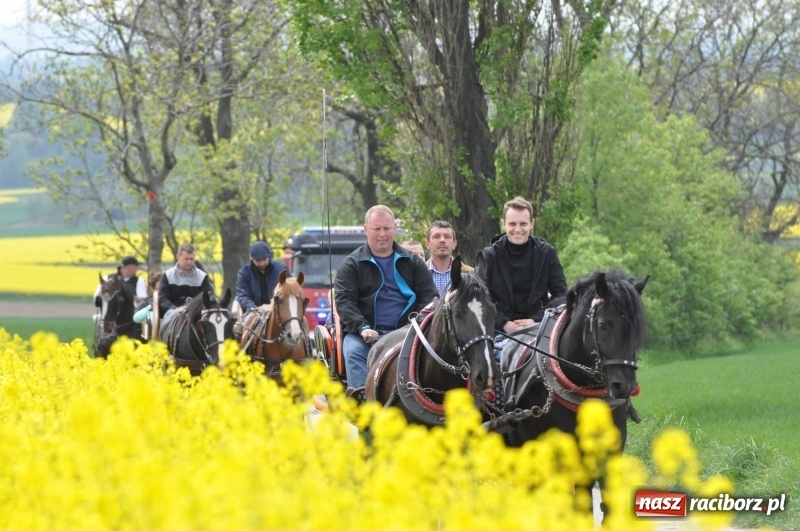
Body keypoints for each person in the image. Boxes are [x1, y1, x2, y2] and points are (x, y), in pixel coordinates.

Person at [334, 205, 438, 401]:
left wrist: (417, 323)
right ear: (366, 230)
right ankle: (362, 403)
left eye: (387, 228)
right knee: (353, 351)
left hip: (407, 333)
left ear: (394, 229)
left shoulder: (413, 261)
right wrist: (363, 328)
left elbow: (429, 296)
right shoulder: (351, 264)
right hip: (365, 336)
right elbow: (344, 302)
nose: (382, 234)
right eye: (376, 229)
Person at [476, 196, 567, 334]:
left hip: (538, 329)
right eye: (512, 224)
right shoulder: (489, 255)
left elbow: (561, 295)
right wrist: (502, 322)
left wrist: (537, 319)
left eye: (523, 224)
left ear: (532, 223)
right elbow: (477, 296)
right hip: (497, 331)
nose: (518, 229)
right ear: (504, 224)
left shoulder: (546, 253)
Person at [158, 243, 216, 330]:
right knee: (166, 324)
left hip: (196, 312)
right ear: (178, 257)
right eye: (186, 259)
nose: (189, 262)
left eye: (191, 259)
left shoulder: (202, 277)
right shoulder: (167, 275)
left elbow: (208, 296)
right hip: (172, 311)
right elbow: (163, 298)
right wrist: (173, 309)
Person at [235, 241, 289, 313]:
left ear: (269, 256)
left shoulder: (282, 269)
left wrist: (274, 306)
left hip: (278, 309)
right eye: (258, 261)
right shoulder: (244, 272)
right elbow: (243, 295)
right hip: (253, 311)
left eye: (264, 259)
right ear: (252, 258)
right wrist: (255, 308)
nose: (262, 263)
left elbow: (289, 290)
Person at [424, 220, 473, 297]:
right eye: (436, 236)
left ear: (454, 244)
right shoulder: (418, 274)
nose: (442, 240)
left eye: (447, 237)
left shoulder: (471, 274)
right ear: (427, 244)